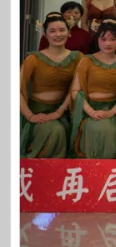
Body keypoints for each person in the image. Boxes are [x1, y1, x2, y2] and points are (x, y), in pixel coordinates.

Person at [20, 14, 83, 157]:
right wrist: (30, 116)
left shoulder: (78, 57)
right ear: (45, 34)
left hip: (67, 110)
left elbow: (78, 87)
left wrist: (60, 110)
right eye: (52, 31)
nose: (58, 34)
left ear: (69, 32)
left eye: (62, 30)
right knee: (55, 131)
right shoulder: (33, 59)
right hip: (39, 112)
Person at [66, 21, 116, 159]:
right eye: (103, 39)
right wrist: (91, 112)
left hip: (113, 110)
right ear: (97, 40)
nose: (108, 43)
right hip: (88, 110)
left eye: (113, 39)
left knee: (111, 130)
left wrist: (112, 112)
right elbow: (75, 91)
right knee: (98, 128)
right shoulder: (87, 60)